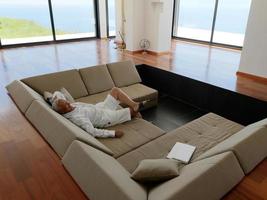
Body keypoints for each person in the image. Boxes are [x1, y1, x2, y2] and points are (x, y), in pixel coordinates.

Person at [51, 87, 143, 138]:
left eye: (66, 102)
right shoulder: (77, 118)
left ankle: (135, 104)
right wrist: (113, 133)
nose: (68, 103)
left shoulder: (65, 105)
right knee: (132, 111)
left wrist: (53, 99)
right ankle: (140, 122)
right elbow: (92, 132)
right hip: (106, 118)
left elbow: (57, 93)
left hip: (101, 107)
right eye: (66, 106)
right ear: (63, 112)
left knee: (115, 91)